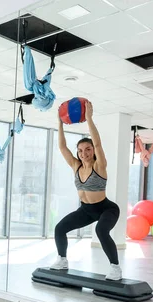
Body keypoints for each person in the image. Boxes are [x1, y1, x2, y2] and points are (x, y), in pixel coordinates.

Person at [50, 101, 122, 281]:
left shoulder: (100, 166)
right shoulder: (75, 165)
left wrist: (89, 118)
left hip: (106, 208)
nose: (84, 153)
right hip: (86, 210)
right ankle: (62, 259)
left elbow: (98, 143)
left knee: (101, 231)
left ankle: (115, 268)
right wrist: (59, 123)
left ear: (93, 151)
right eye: (80, 150)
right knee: (60, 229)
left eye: (87, 149)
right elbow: (62, 147)